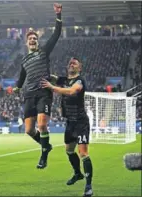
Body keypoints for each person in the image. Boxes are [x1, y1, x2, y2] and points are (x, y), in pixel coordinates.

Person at [12, 3, 62, 169]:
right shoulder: (24, 60)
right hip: (29, 95)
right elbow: (22, 76)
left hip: (43, 92)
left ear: (37, 42)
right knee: (29, 130)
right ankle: (46, 144)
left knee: (41, 125)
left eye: (35, 38)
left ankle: (43, 155)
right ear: (27, 43)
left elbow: (56, 35)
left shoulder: (44, 52)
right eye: (30, 39)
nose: (33, 40)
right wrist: (17, 87)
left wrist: (58, 16)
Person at [41, 57, 94, 197]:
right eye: (70, 63)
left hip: (81, 122)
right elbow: (51, 77)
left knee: (83, 153)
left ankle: (88, 186)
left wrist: (52, 88)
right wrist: (41, 69)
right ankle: (77, 173)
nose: (71, 64)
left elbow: (72, 91)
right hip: (70, 122)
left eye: (75, 63)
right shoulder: (63, 80)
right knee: (69, 150)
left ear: (79, 68)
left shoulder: (80, 80)